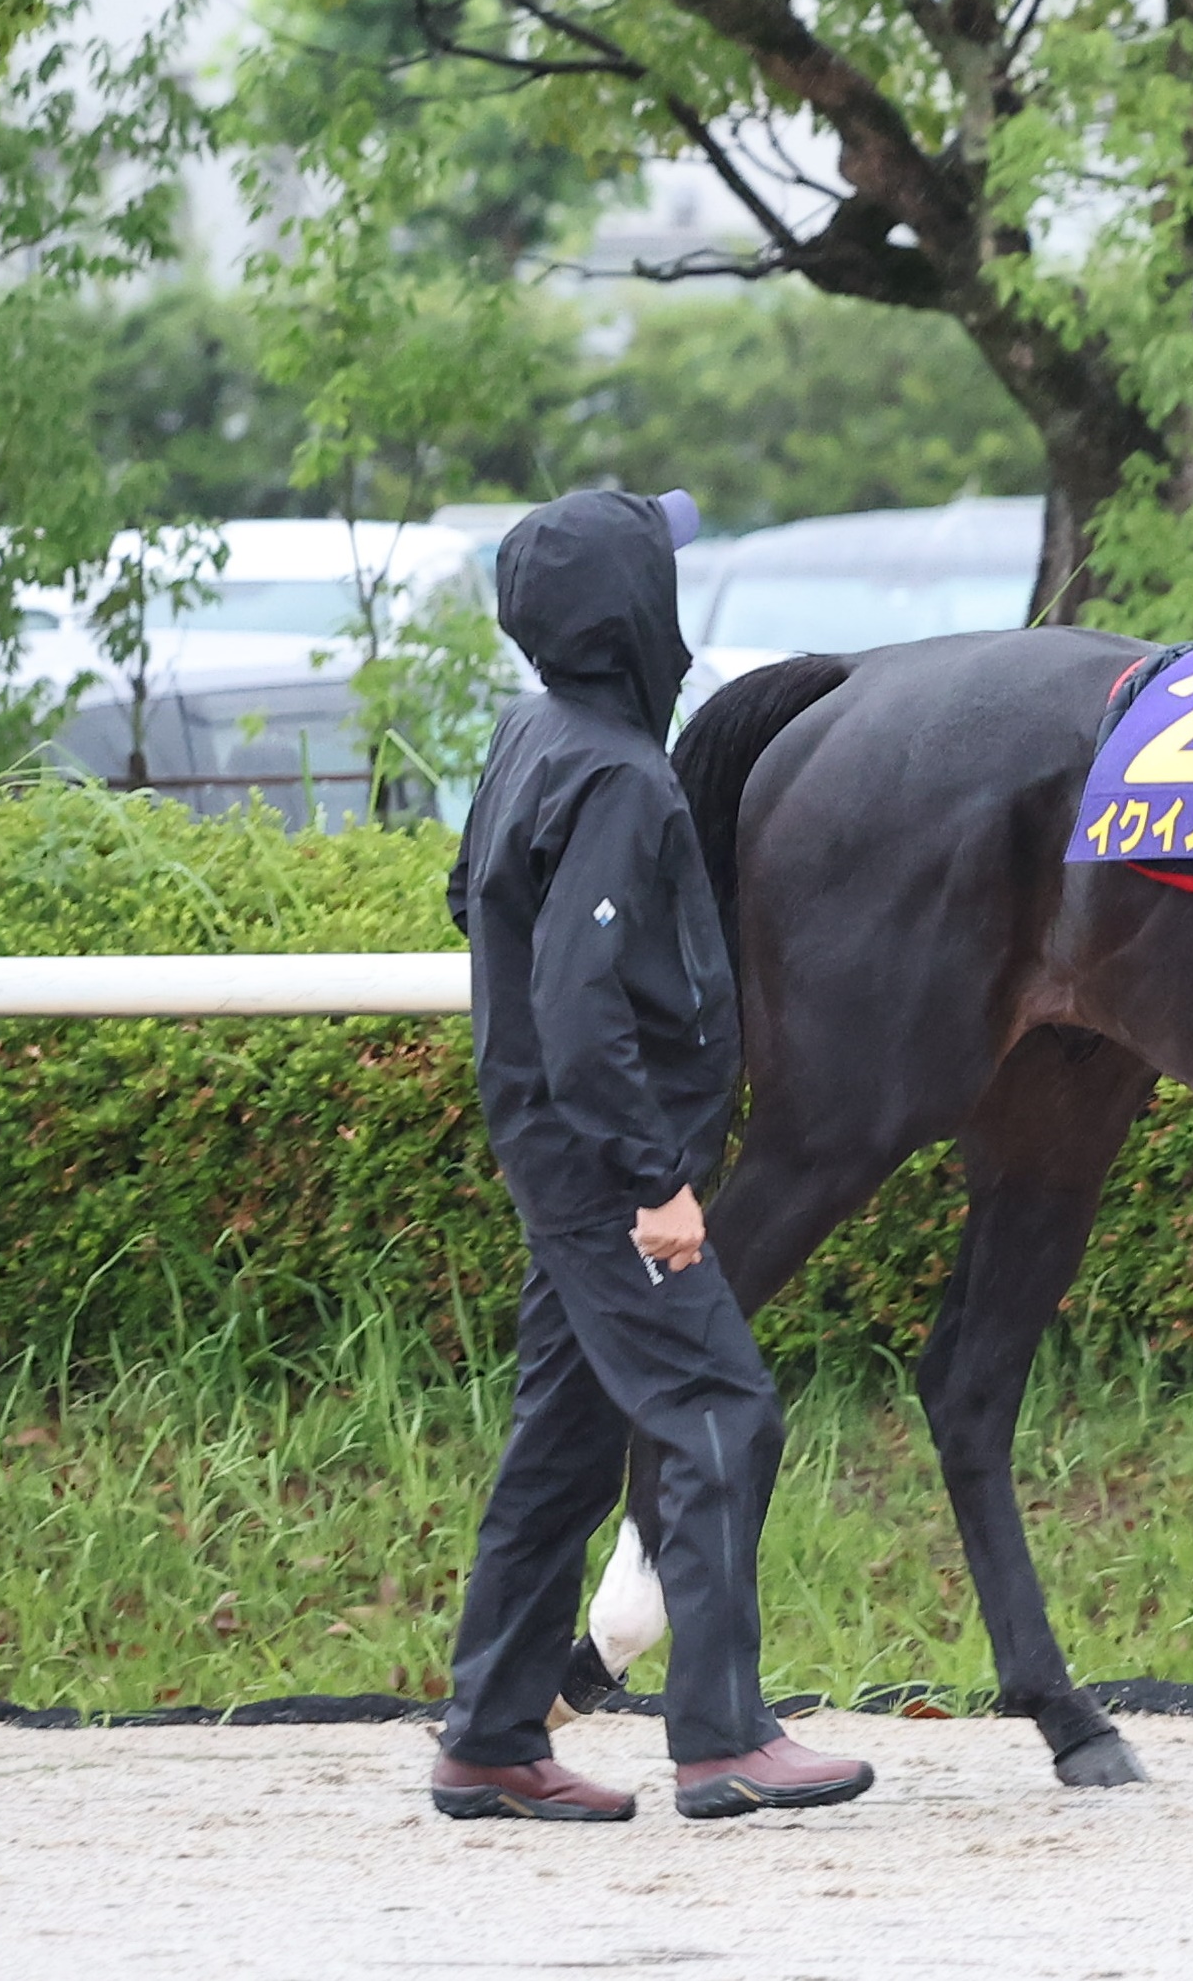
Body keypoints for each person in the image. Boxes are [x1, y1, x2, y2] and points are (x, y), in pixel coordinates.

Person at [429, 488, 874, 1823]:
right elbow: (578, 998)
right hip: (607, 1171)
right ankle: (722, 1734)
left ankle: (490, 1739)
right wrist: (655, 1180)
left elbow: (476, 898)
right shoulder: (620, 774)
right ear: (634, 611)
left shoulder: (533, 736)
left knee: (562, 1450)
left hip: (551, 1157)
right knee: (722, 1412)